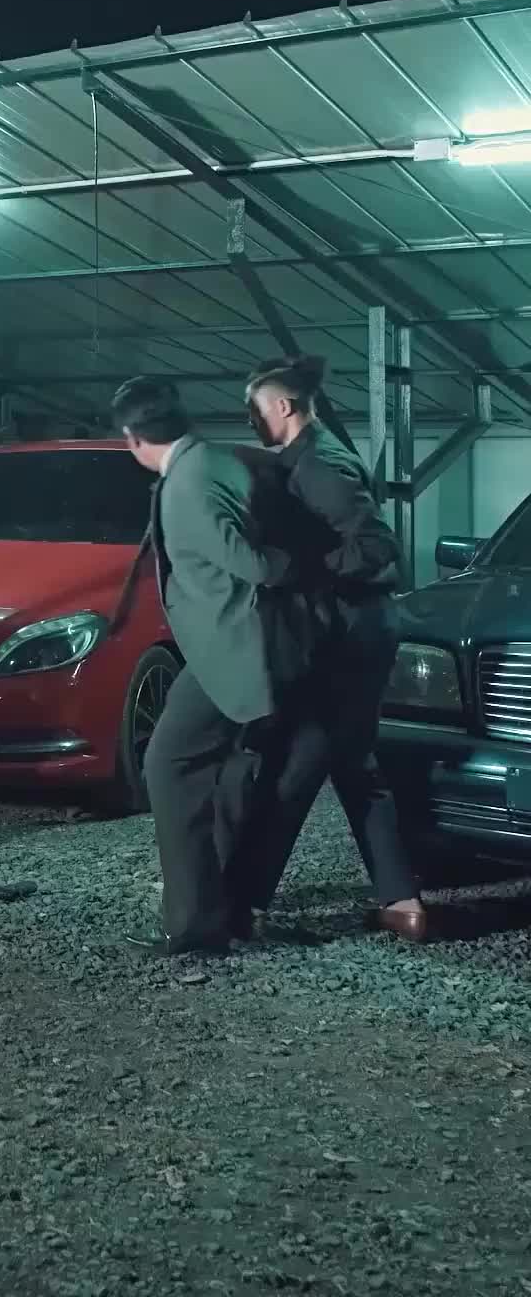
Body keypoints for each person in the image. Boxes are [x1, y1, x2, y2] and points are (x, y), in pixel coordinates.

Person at [110, 375, 313, 958]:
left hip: (229, 651)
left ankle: (195, 924)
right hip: (239, 647)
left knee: (168, 766)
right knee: (228, 773)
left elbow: (254, 563)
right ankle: (224, 907)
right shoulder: (215, 459)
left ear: (132, 437)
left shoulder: (187, 484)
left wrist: (300, 569)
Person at [233, 355, 428, 943]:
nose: (250, 420)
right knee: (354, 764)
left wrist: (301, 568)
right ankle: (402, 903)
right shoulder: (309, 456)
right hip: (359, 629)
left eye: (255, 408)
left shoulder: (319, 463)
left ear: (283, 406)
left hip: (348, 636)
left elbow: (376, 546)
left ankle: (245, 903)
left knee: (294, 766)